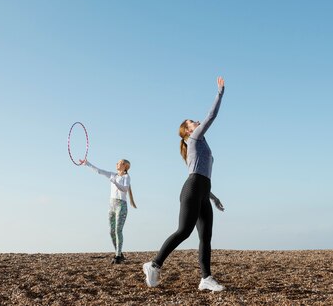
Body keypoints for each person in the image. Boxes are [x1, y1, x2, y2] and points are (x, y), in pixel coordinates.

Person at [143, 76, 226, 292]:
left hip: (202, 190)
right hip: (191, 190)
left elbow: (203, 174)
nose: (196, 121)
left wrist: (213, 197)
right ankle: (154, 264)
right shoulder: (194, 140)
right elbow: (211, 116)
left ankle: (206, 278)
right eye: (192, 122)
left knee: (205, 237)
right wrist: (219, 93)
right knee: (184, 231)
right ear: (188, 131)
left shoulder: (202, 146)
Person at [80, 158, 137, 264]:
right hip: (111, 205)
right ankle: (118, 251)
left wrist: (115, 182)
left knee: (118, 230)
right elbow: (99, 171)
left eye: (119, 163)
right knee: (111, 231)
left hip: (121, 205)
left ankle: (118, 255)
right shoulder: (113, 175)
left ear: (124, 165)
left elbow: (125, 189)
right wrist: (87, 164)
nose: (116, 164)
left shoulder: (126, 177)